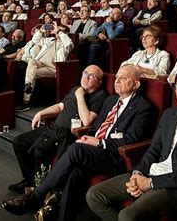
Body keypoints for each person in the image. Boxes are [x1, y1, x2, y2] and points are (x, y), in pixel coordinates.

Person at [2, 65, 156, 221]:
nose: (117, 81)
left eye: (123, 78)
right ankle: (61, 214)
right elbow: (96, 127)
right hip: (94, 150)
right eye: (117, 77)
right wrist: (87, 138)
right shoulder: (111, 101)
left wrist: (99, 142)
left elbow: (130, 140)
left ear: (135, 85)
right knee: (75, 172)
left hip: (114, 156)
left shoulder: (143, 108)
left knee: (76, 149)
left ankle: (35, 197)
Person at [86, 68, 177, 221]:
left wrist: (150, 183)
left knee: (127, 216)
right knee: (94, 195)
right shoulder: (170, 115)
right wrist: (138, 174)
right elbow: (154, 150)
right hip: (151, 173)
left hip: (176, 186)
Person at [8, 65, 106, 194]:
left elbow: (87, 120)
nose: (86, 77)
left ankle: (39, 189)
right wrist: (41, 113)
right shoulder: (76, 89)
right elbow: (60, 106)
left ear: (99, 82)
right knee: (18, 142)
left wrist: (80, 96)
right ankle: (29, 180)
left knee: (39, 150)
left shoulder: (100, 96)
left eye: (91, 76)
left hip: (67, 134)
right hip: (52, 127)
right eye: (85, 73)